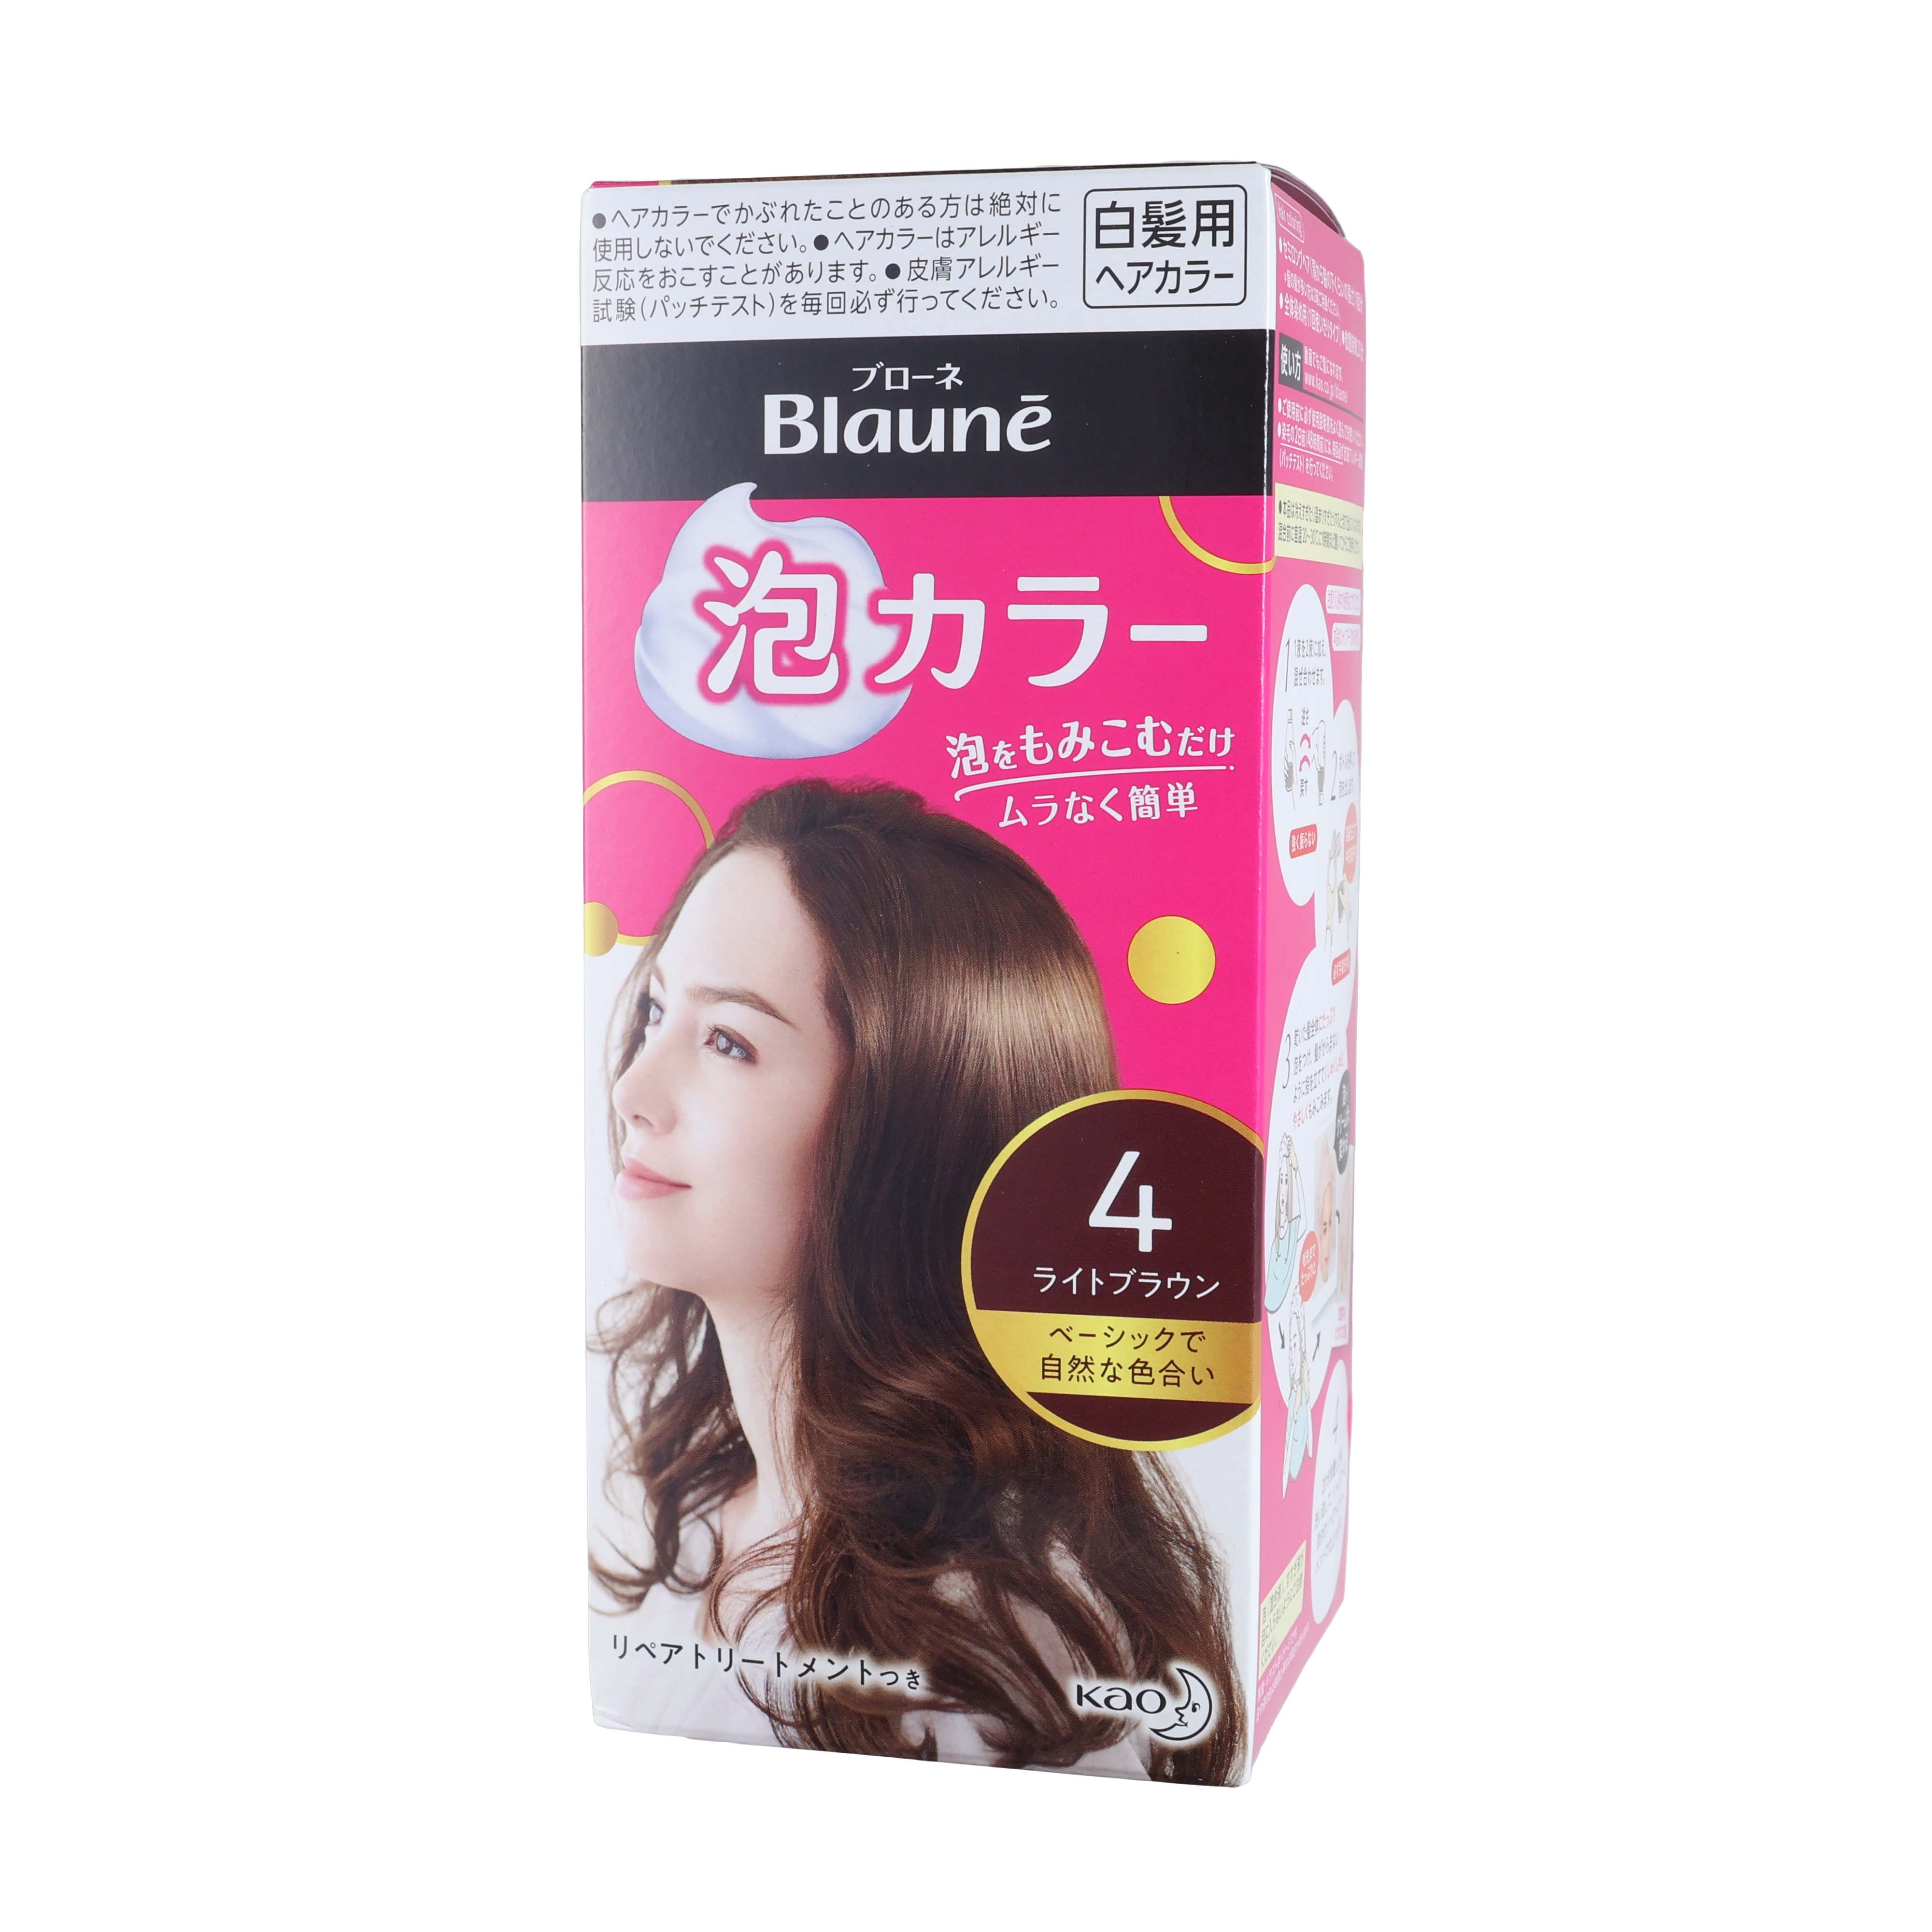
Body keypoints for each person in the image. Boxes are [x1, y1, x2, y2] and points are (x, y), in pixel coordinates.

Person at [590, 778, 1246, 1782]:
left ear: (914, 1128)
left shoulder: (991, 1650)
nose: (632, 1090)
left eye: (728, 1041)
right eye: (652, 1009)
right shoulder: (682, 1504)